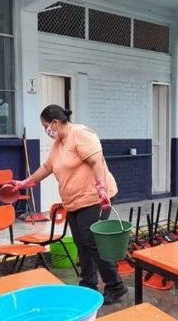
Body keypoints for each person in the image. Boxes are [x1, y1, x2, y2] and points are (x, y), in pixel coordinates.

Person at [9, 105, 127, 304]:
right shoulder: (59, 143)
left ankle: (115, 286)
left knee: (92, 242)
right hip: (74, 202)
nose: (46, 130)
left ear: (55, 123)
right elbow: (47, 167)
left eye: (46, 126)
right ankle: (88, 284)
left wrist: (101, 188)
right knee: (81, 243)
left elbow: (97, 161)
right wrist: (26, 182)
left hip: (95, 197)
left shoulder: (79, 134)